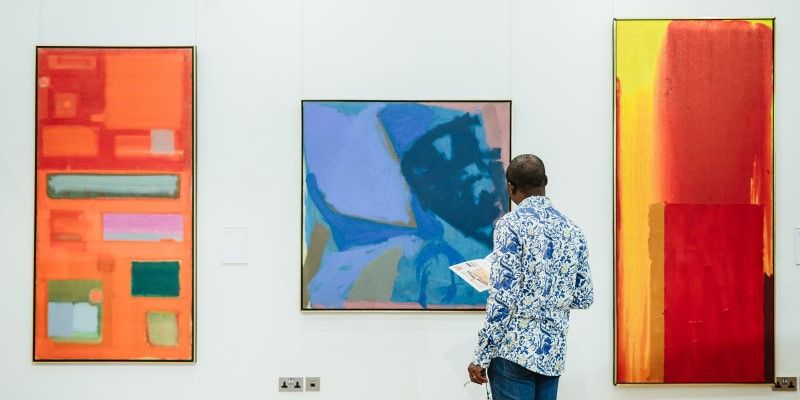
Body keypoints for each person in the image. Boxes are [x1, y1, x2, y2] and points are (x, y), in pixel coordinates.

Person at [467, 154, 594, 400]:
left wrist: (481, 355)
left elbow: (503, 299)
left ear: (510, 187)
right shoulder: (572, 230)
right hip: (552, 354)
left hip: (513, 353)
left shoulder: (510, 225)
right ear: (545, 181)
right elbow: (584, 297)